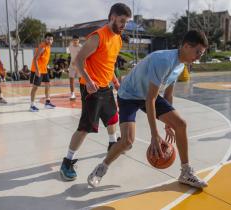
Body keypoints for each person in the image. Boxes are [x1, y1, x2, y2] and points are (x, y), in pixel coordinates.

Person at [87, 30, 209, 189]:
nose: (199, 56)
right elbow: (150, 99)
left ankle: (186, 172)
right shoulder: (164, 60)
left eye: (202, 53)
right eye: (198, 52)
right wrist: (154, 135)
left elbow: (168, 94)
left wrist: (168, 124)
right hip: (129, 95)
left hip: (147, 94)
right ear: (186, 46)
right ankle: (101, 169)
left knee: (181, 124)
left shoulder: (181, 65)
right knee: (127, 141)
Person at [59, 3, 131, 181]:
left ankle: (113, 144)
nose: (124, 25)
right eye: (122, 21)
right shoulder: (98, 37)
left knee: (112, 117)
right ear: (112, 17)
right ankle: (67, 161)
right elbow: (78, 60)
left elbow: (110, 63)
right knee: (86, 126)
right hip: (91, 88)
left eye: (126, 22)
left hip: (105, 86)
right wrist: (89, 81)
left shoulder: (118, 38)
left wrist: (115, 81)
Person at [29, 33, 56, 112]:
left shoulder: (48, 47)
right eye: (48, 39)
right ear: (45, 39)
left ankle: (47, 102)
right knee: (35, 87)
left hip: (44, 70)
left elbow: (43, 59)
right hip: (37, 70)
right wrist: (37, 71)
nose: (49, 40)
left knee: (48, 84)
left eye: (51, 39)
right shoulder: (42, 47)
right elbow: (35, 59)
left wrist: (47, 66)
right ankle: (32, 105)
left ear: (52, 40)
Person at [67, 35, 82, 100]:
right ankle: (72, 94)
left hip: (79, 66)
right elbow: (69, 54)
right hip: (72, 66)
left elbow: (82, 57)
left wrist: (76, 61)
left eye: (76, 40)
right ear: (72, 41)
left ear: (78, 41)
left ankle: (82, 93)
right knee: (71, 79)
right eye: (74, 40)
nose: (75, 41)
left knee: (81, 80)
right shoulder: (70, 47)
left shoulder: (81, 47)